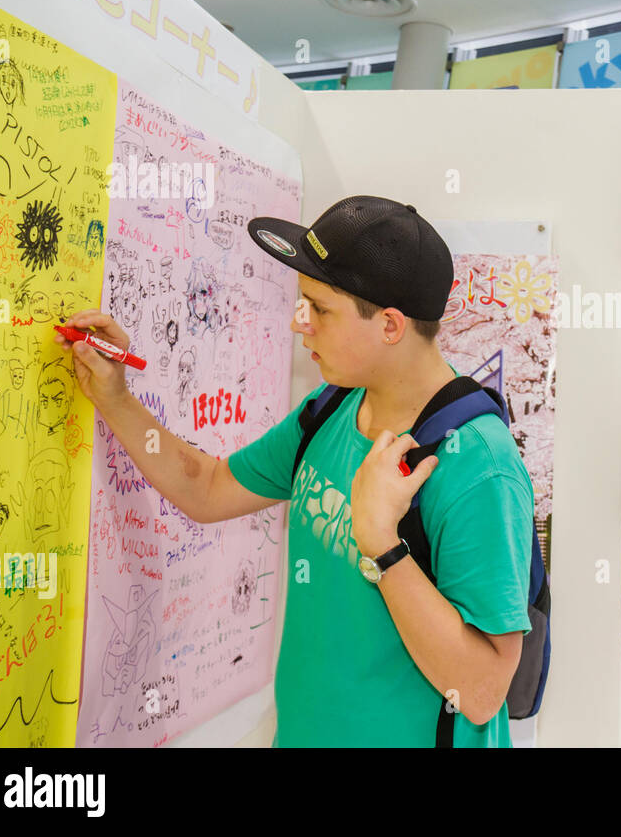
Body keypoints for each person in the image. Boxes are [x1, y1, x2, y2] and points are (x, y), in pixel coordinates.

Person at [55, 195, 534, 747]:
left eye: (320, 308)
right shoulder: (332, 408)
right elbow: (209, 488)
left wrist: (382, 541)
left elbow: (479, 692)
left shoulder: (479, 464)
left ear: (390, 326)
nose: (297, 322)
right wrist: (114, 398)